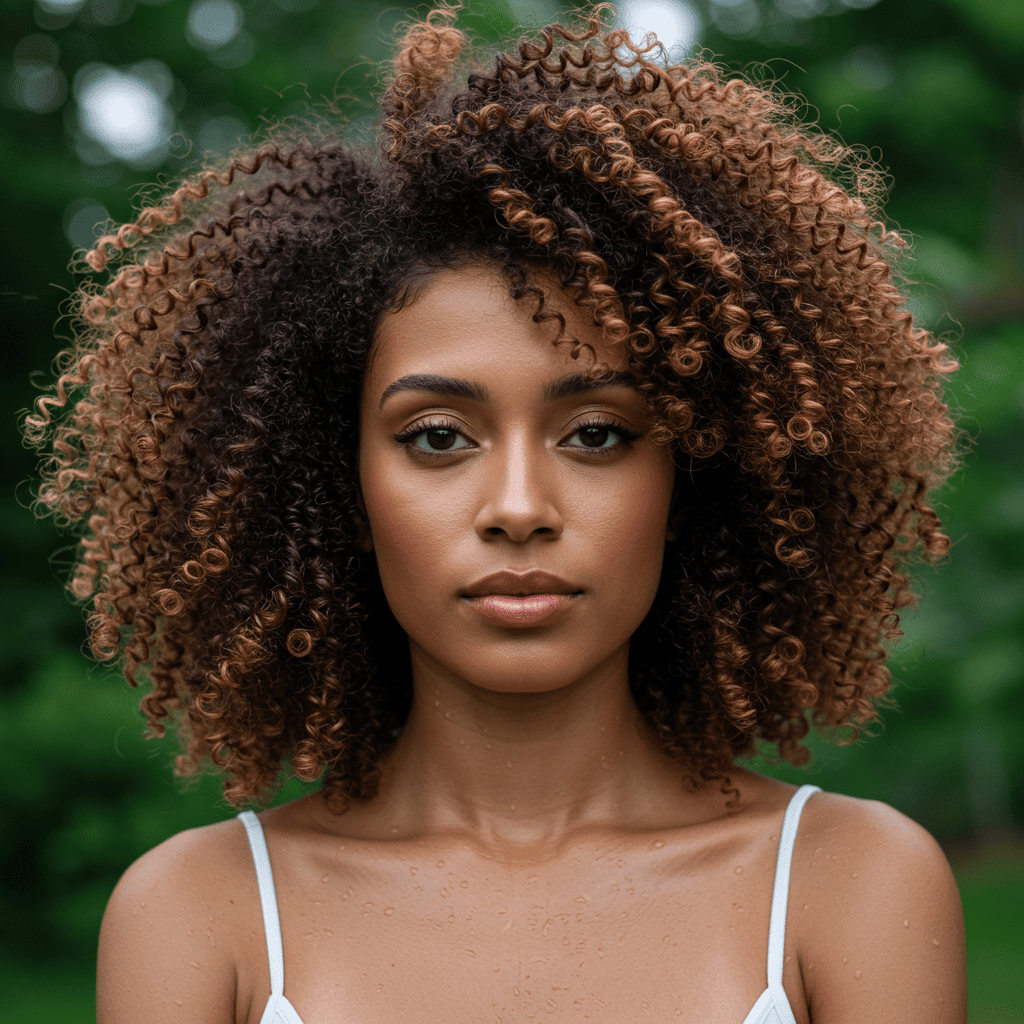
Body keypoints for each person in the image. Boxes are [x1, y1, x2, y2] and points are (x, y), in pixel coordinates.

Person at [25, 2, 968, 1021]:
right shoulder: (200, 917)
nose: (518, 508)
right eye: (437, 436)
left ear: (694, 477)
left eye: (598, 434)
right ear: (337, 487)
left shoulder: (849, 886)